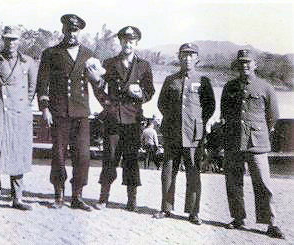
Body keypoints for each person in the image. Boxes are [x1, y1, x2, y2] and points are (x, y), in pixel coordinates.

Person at [36, 14, 102, 211]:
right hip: (59, 112)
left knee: (83, 156)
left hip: (81, 112)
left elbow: (98, 83)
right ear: (63, 30)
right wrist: (45, 108)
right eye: (68, 29)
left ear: (79, 31)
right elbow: (43, 83)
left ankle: (77, 196)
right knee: (58, 154)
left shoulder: (88, 54)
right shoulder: (51, 53)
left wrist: (98, 80)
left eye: (75, 30)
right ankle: (58, 195)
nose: (71, 33)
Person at [89, 26, 155, 211]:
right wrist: (106, 104)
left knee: (132, 159)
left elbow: (150, 91)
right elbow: (99, 87)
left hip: (133, 120)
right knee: (109, 157)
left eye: (131, 40)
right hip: (113, 119)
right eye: (125, 40)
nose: (128, 43)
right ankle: (103, 197)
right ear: (120, 42)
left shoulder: (144, 65)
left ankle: (131, 199)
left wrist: (140, 93)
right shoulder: (109, 63)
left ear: (136, 43)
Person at [221, 49, 284, 239]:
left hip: (256, 143)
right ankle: (238, 218)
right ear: (237, 65)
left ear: (255, 64)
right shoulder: (229, 87)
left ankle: (271, 223)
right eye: (241, 62)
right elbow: (224, 113)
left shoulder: (266, 87)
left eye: (248, 62)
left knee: (263, 183)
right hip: (233, 141)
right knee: (233, 181)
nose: (244, 65)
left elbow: (273, 117)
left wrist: (260, 132)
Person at [154, 43, 215, 225]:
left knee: (193, 172)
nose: (187, 58)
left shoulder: (203, 80)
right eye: (184, 55)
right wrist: (173, 119)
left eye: (191, 55)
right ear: (179, 57)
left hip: (193, 133)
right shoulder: (170, 79)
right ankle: (166, 208)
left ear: (197, 58)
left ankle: (193, 212)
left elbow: (209, 106)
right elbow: (161, 104)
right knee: (168, 171)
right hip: (172, 132)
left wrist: (197, 122)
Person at [0, 26, 37, 211]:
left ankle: (17, 197)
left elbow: (31, 89)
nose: (11, 43)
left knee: (17, 154)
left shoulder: (27, 62)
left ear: (19, 41)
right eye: (7, 39)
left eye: (14, 39)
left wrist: (23, 107)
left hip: (19, 113)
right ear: (3, 40)